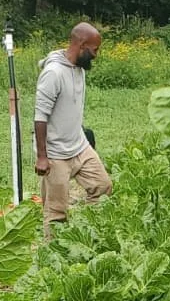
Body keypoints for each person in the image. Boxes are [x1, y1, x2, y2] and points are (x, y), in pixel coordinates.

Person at [33, 22, 113, 222]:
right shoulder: (54, 73)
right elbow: (40, 116)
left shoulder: (79, 68)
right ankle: (54, 250)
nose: (96, 55)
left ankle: (90, 233)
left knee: (103, 187)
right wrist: (43, 157)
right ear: (82, 45)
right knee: (56, 212)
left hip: (79, 146)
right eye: (94, 50)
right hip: (56, 153)